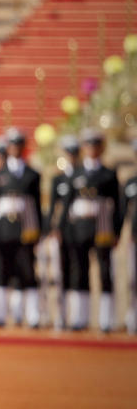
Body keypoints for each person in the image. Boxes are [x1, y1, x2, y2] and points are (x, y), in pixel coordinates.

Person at [63, 129, 122, 331]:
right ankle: (80, 318)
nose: (91, 149)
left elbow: (118, 204)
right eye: (88, 145)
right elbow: (67, 204)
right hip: (79, 226)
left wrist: (117, 231)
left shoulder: (108, 174)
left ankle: (106, 320)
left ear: (101, 147)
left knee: (105, 272)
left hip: (102, 227)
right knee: (79, 270)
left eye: (95, 145)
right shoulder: (76, 173)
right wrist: (64, 229)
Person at [0, 128, 42, 328]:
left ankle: (31, 316)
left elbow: (37, 205)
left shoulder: (33, 175)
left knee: (26, 271)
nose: (16, 148)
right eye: (12, 145)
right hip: (1, 231)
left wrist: (39, 231)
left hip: (25, 228)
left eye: (19, 145)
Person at [42, 134, 81, 330]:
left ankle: (77, 317)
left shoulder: (84, 175)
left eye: (74, 153)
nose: (72, 156)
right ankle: (60, 316)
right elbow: (52, 207)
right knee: (59, 273)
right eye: (69, 153)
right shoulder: (59, 178)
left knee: (78, 270)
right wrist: (49, 228)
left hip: (82, 231)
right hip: (62, 231)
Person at [122, 138, 137, 334]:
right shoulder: (132, 182)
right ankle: (133, 317)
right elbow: (122, 211)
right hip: (136, 237)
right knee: (133, 279)